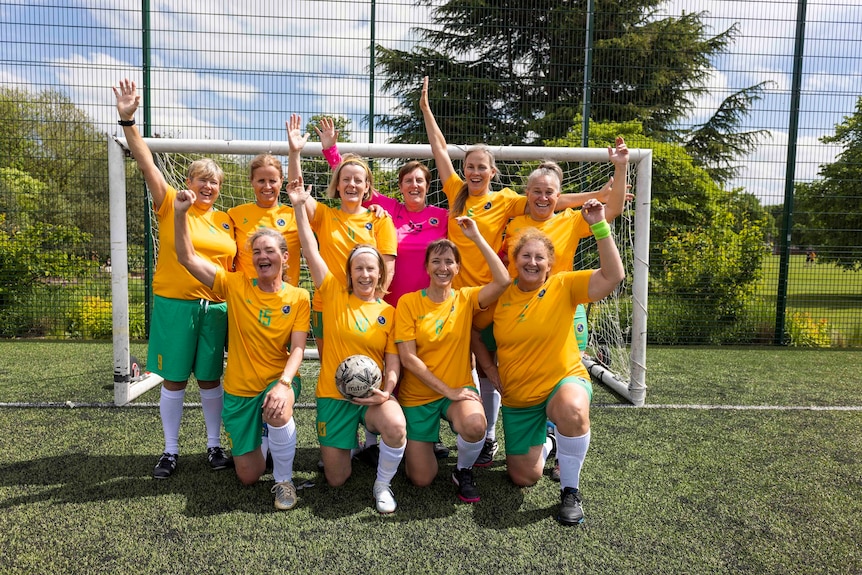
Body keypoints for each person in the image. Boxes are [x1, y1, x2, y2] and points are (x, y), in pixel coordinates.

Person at [420, 76, 612, 468]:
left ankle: (491, 437)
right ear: (465, 169)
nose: (474, 172)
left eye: (481, 167)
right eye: (470, 166)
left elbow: (551, 200)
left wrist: (602, 199)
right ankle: (450, 430)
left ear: (492, 172)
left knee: (491, 369)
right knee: (463, 366)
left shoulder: (506, 201)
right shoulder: (455, 189)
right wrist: (426, 109)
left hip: (496, 295)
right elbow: (438, 148)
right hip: (458, 300)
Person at [113, 79, 234, 478]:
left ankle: (215, 447)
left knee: (212, 380)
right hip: (174, 306)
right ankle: (170, 451)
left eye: (214, 181)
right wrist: (128, 119)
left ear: (219, 189)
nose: (207, 185)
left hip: (216, 309)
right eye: (201, 178)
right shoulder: (169, 203)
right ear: (189, 182)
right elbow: (146, 161)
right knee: (176, 381)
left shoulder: (225, 222)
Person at [480, 199, 625, 526]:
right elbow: (476, 333)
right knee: (522, 477)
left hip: (563, 381)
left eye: (539, 257)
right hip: (519, 400)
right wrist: (489, 370)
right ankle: (549, 441)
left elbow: (613, 275)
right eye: (525, 256)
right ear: (514, 261)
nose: (532, 262)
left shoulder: (564, 286)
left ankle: (570, 490)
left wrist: (600, 226)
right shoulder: (498, 295)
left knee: (572, 409)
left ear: (550, 263)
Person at [316, 117, 450, 459]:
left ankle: (419, 435)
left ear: (428, 184)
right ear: (400, 187)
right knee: (370, 365)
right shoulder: (387, 210)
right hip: (384, 305)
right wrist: (331, 149)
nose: (414, 186)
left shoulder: (443, 217)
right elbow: (352, 183)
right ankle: (372, 442)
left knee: (413, 371)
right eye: (408, 182)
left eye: (420, 180)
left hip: (427, 306)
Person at [174, 189, 309, 510]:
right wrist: (180, 214)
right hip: (239, 391)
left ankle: (284, 481)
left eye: (270, 251)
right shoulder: (234, 286)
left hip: (279, 381)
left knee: (277, 407)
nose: (263, 256)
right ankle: (264, 437)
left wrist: (284, 383)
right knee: (248, 475)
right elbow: (187, 258)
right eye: (257, 251)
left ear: (284, 256)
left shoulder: (299, 296)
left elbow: (299, 349)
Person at [499, 153, 628, 482]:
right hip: (520, 307)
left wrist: (621, 166)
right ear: (526, 194)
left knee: (565, 380)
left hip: (565, 304)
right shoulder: (512, 222)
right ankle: (535, 439)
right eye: (537, 192)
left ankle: (563, 451)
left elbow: (612, 210)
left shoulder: (570, 219)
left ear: (559, 196)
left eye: (550, 193)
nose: (543, 198)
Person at [287, 176, 407, 515]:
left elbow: (393, 360)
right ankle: (347, 448)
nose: (365, 275)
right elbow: (310, 246)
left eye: (371, 269)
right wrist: (298, 206)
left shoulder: (388, 311)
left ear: (380, 274)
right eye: (359, 269)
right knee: (337, 479)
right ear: (349, 273)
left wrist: (388, 390)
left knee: (396, 426)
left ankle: (382, 485)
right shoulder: (333, 293)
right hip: (333, 395)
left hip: (372, 397)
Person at [395, 219, 510, 503]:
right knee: (421, 479)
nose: (442, 267)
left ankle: (463, 470)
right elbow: (408, 358)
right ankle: (421, 447)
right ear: (426, 267)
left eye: (449, 262)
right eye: (436, 261)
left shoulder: (466, 298)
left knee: (474, 426)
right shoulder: (409, 303)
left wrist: (477, 237)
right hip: (418, 397)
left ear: (457, 268)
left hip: (457, 390)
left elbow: (504, 280)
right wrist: (448, 391)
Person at [285, 115, 397, 365]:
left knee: (366, 371)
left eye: (358, 180)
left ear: (367, 187)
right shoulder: (325, 216)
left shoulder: (381, 220)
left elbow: (387, 268)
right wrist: (294, 153)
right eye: (346, 179)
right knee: (333, 369)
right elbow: (298, 192)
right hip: (327, 306)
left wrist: (373, 301)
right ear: (337, 185)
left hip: (365, 307)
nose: (352, 184)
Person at [228, 154, 301, 286]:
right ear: (252, 181)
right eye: (261, 181)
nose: (267, 186)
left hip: (285, 300)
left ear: (281, 181)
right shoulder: (235, 215)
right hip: (245, 298)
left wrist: (295, 152)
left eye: (272, 181)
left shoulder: (295, 216)